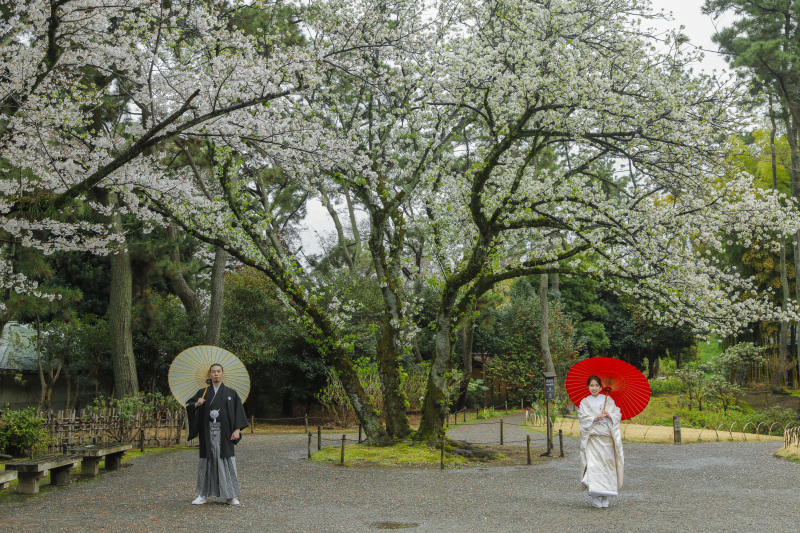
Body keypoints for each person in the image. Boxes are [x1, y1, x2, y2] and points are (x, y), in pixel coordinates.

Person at [186, 363, 248, 505]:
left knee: (226, 461)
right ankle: (203, 494)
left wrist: (237, 429)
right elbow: (189, 405)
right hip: (207, 431)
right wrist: (196, 404)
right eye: (213, 372)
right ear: (209, 375)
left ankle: (230, 495)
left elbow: (239, 412)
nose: (216, 374)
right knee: (206, 462)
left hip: (225, 432)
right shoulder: (202, 392)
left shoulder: (231, 393)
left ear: (222, 374)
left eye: (218, 371)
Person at [577, 374, 624, 509]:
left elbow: (617, 414)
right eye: (591, 385)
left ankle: (606, 495)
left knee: (607, 467)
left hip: (607, 439)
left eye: (597, 385)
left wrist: (610, 415)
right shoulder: (585, 402)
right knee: (594, 467)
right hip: (593, 440)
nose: (594, 388)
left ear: (601, 387)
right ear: (588, 387)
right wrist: (595, 417)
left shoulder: (608, 400)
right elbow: (582, 417)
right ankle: (595, 496)